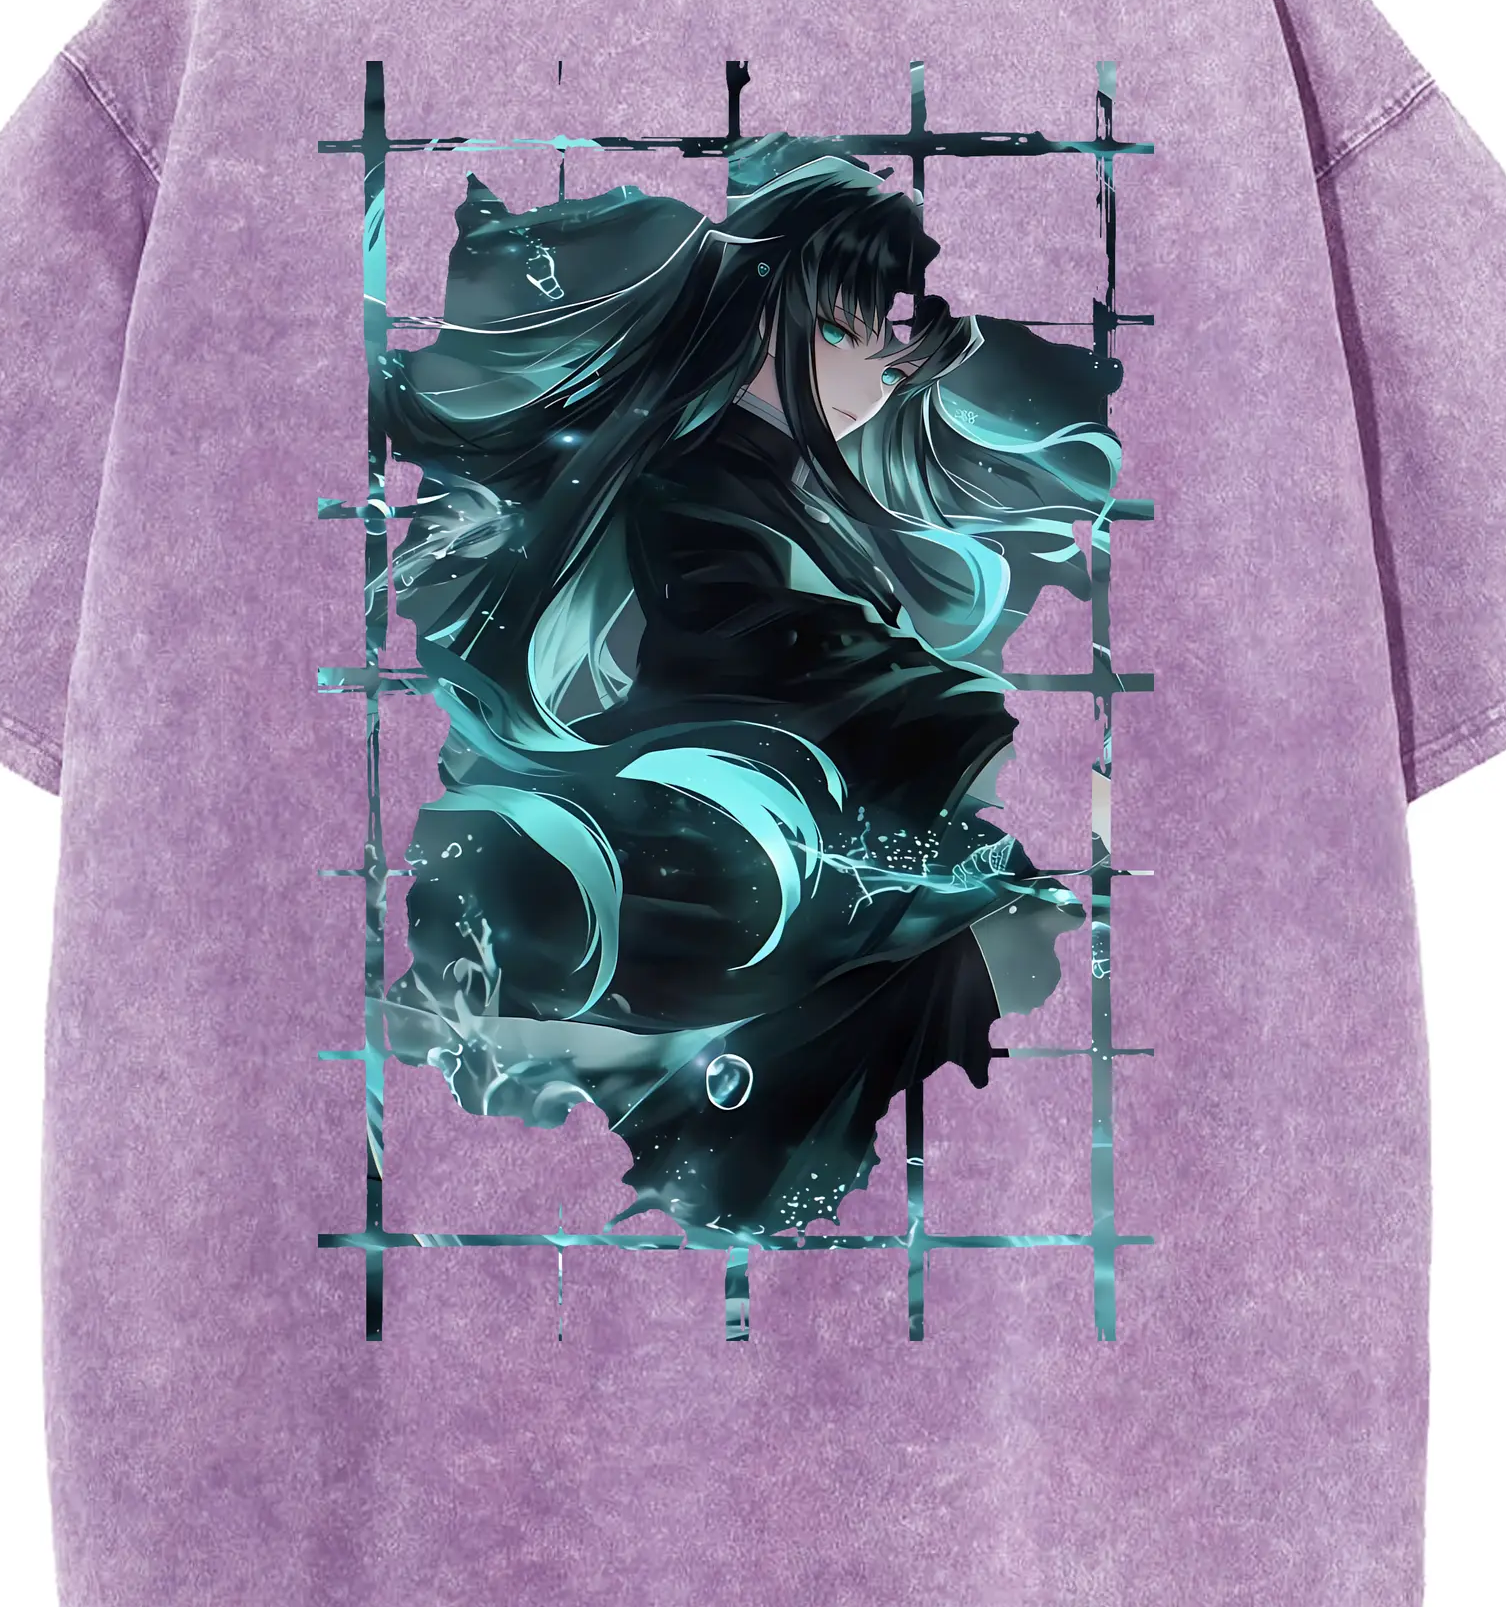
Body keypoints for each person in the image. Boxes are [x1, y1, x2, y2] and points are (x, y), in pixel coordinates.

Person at [376, 136, 1129, 1238]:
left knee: (962, 938)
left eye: (893, 334)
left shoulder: (779, 481)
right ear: (767, 316)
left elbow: (811, 642)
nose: (885, 362)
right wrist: (977, 725)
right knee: (882, 928)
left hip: (796, 800)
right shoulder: (699, 477)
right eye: (850, 326)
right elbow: (759, 635)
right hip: (734, 796)